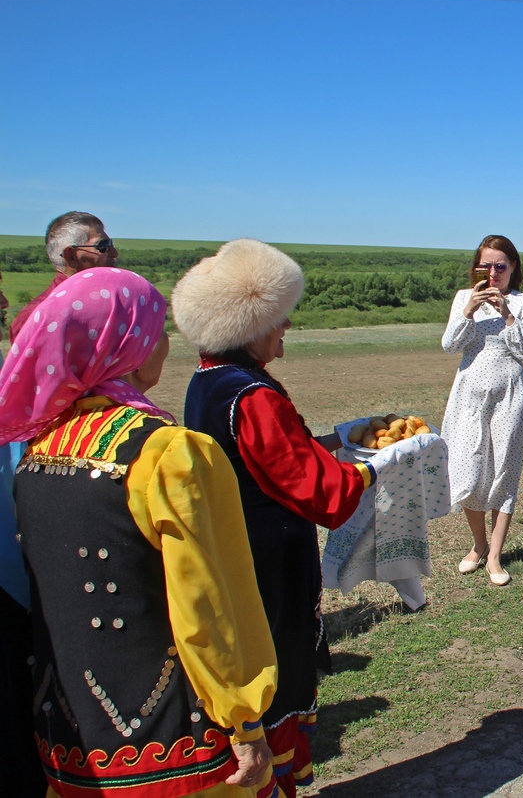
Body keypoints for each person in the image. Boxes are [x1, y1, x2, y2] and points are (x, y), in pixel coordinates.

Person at [4, 268, 278, 797]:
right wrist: (243, 719)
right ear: (120, 345)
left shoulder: (36, 449)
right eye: (153, 330)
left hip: (70, 740)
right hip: (177, 742)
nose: (166, 343)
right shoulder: (170, 453)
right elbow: (210, 603)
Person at [174, 240, 378, 797]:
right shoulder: (255, 395)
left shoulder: (207, 379)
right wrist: (378, 465)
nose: (284, 332)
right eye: (277, 322)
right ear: (251, 324)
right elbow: (321, 495)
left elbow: (267, 460)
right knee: (277, 683)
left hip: (234, 548)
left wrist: (335, 439)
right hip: (268, 563)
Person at [440, 235, 523, 586]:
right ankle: (478, 544)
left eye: (501, 266)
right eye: (486, 266)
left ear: (513, 267)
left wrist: (507, 315)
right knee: (468, 468)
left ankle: (495, 555)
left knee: (504, 472)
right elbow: (450, 345)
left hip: (510, 396)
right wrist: (469, 311)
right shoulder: (464, 299)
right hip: (468, 395)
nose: (493, 273)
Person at [9, 211, 118, 341]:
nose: (114, 253)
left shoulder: (109, 304)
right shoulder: (37, 319)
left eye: (111, 244)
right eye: (103, 246)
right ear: (71, 255)